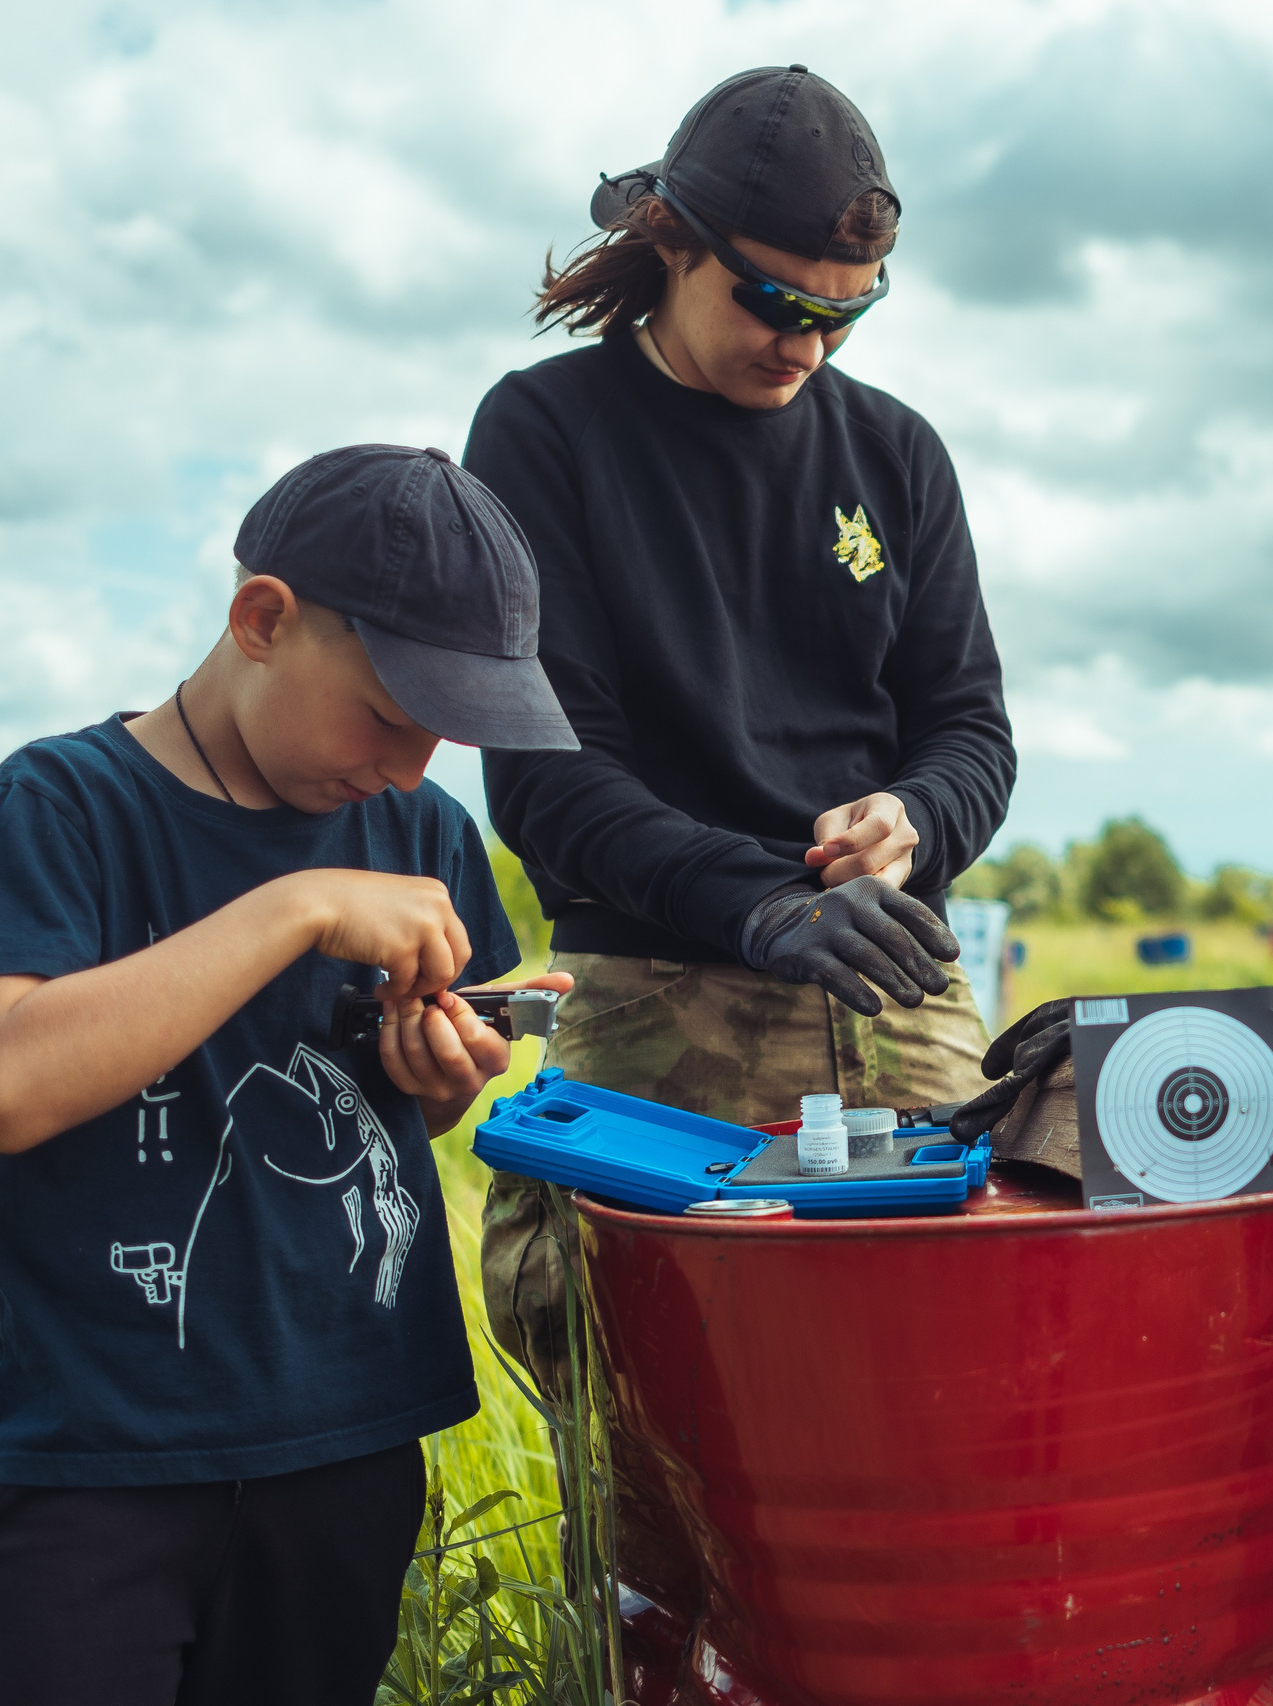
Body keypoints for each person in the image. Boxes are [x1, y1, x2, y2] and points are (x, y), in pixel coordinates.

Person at [0, 445, 580, 1706]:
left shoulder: (422, 832)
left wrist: (441, 1073)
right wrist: (295, 906)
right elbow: (5, 1084)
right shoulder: (56, 806)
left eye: (445, 734)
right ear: (262, 618)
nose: (411, 765)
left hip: (348, 1448)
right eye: (389, 712)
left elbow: (410, 1120)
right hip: (92, 1459)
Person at [464, 66, 1015, 1396]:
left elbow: (969, 728)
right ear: (671, 242)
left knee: (945, 1389)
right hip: (660, 1009)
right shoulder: (545, 431)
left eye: (845, 314)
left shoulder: (897, 454)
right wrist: (760, 904)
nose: (805, 346)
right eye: (773, 302)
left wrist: (914, 820)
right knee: (659, 1410)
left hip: (898, 996)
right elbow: (545, 776)